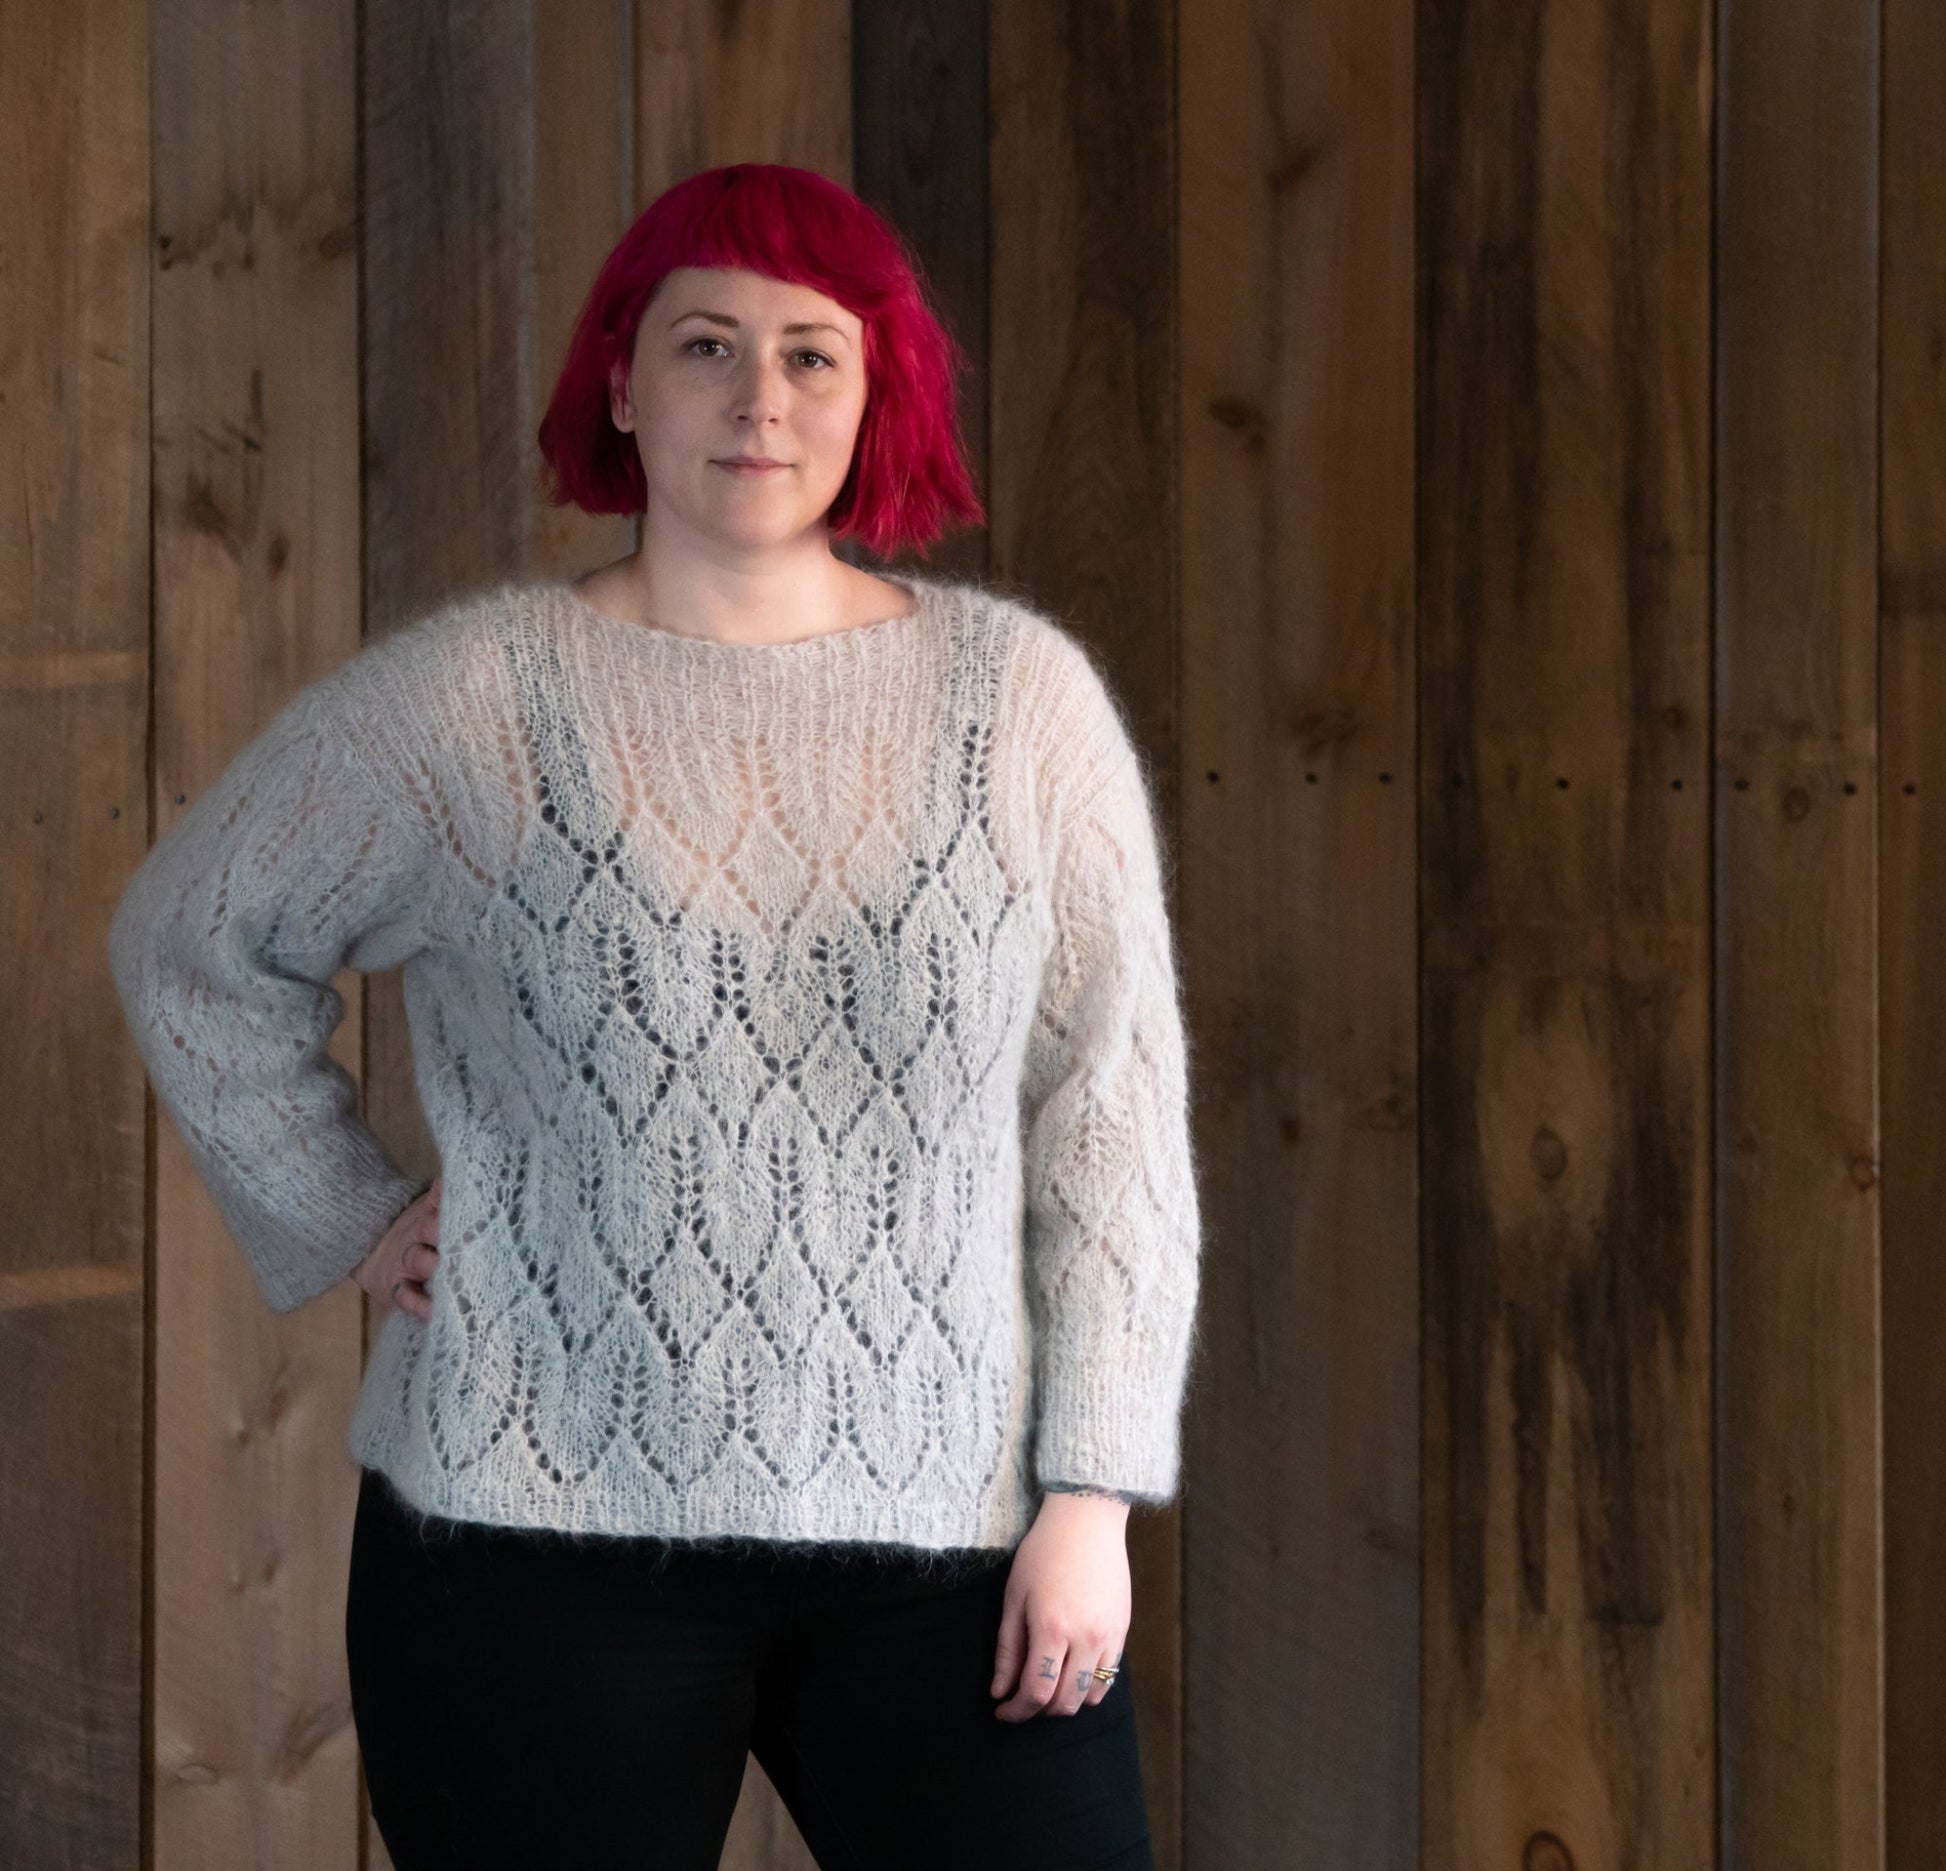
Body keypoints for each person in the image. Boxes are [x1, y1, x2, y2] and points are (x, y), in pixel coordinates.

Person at [107, 161, 1202, 1869]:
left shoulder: (1017, 709)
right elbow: (190, 936)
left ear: (875, 393)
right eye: (706, 344)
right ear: (622, 386)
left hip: (955, 1547)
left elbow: (1112, 1120)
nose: (759, 398)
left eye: (810, 353)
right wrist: (344, 1213)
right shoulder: (475, 706)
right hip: (529, 1549)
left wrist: (1090, 1497)